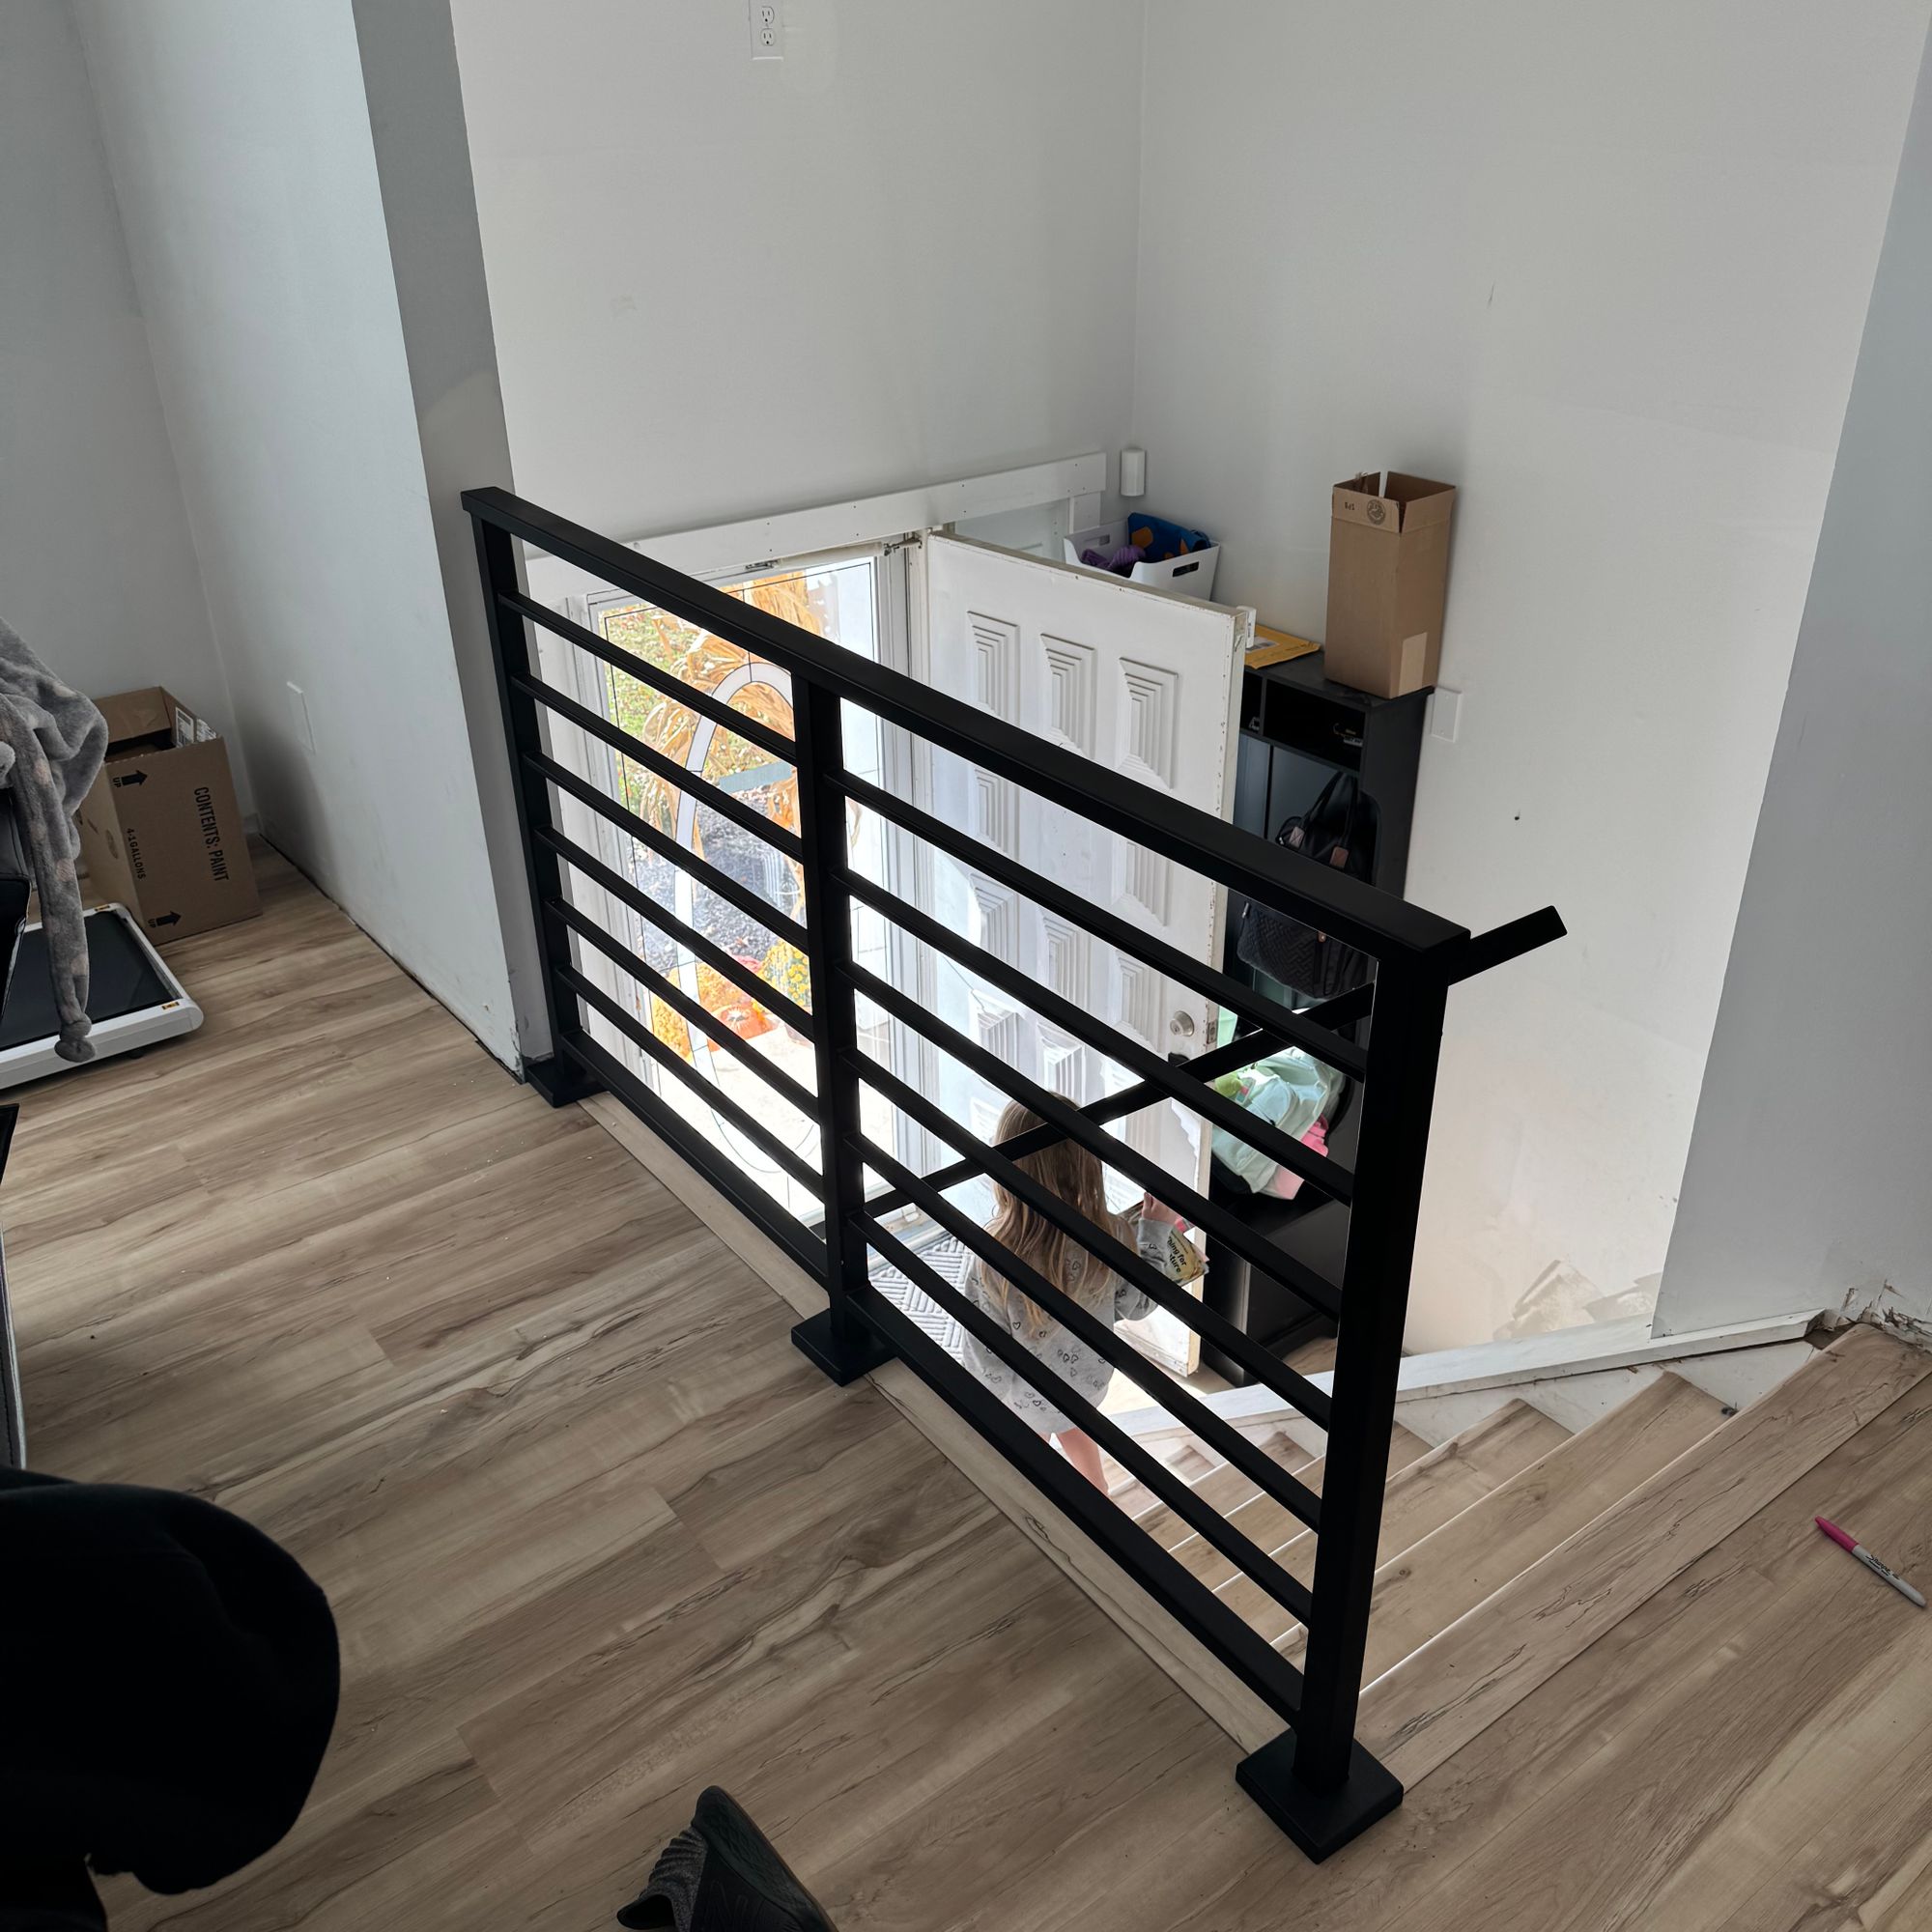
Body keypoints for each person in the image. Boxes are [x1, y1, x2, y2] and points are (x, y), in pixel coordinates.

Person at [959, 1101, 1205, 1492]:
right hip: (1085, 1387)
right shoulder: (1110, 1237)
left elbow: (983, 1360)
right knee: (1075, 1433)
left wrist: (983, 1408)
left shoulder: (991, 1259)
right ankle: (1100, 1498)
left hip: (1025, 1400)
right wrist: (1155, 1231)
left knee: (1024, 1468)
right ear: (1088, 1166)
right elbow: (1137, 1305)